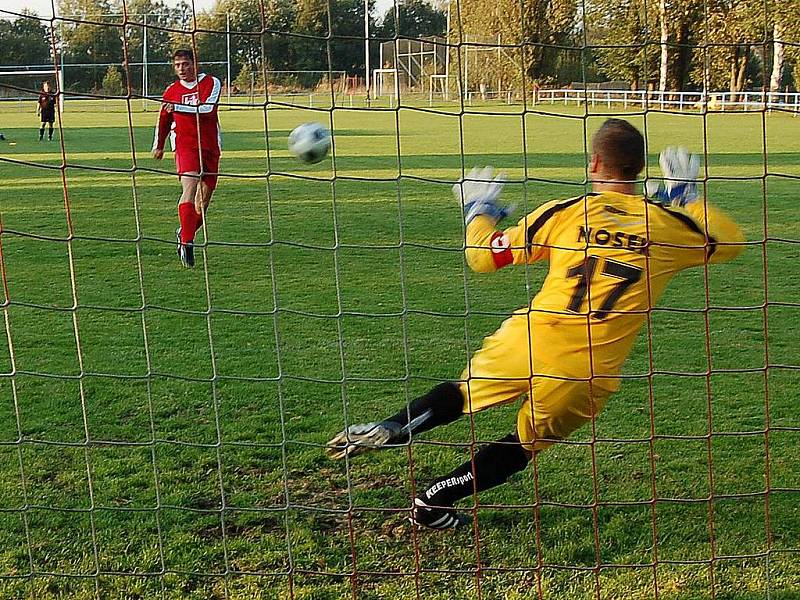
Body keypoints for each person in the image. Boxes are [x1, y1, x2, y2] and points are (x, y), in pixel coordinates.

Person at [326, 119, 745, 530]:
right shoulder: (670, 229)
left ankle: (395, 425)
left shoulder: (564, 213)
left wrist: (479, 211)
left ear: (594, 163)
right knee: (523, 444)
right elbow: (730, 242)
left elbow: (485, 257)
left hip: (528, 341)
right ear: (639, 169)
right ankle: (434, 498)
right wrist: (688, 196)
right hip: (585, 371)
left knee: (462, 392)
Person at [152, 48, 222, 268]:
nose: (182, 68)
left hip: (210, 147)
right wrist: (159, 145)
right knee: (189, 189)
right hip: (185, 146)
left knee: (202, 205)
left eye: (185, 64)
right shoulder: (171, 91)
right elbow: (164, 118)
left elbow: (208, 110)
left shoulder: (212, 83)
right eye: (178, 65)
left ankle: (184, 232)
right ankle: (188, 243)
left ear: (195, 63)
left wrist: (179, 107)